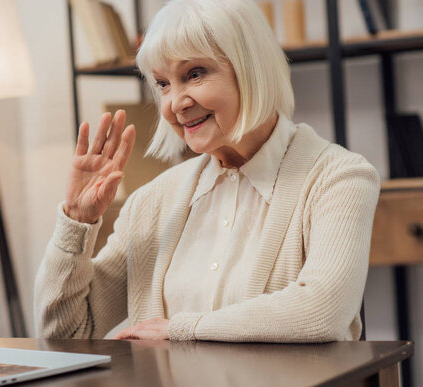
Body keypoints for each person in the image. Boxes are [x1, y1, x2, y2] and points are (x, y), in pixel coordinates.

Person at [34, 0, 380, 342]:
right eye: (163, 84)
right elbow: (66, 333)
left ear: (251, 68)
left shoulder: (339, 178)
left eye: (194, 74)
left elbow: (323, 310)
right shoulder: (151, 203)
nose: (175, 104)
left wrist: (182, 330)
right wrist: (77, 222)